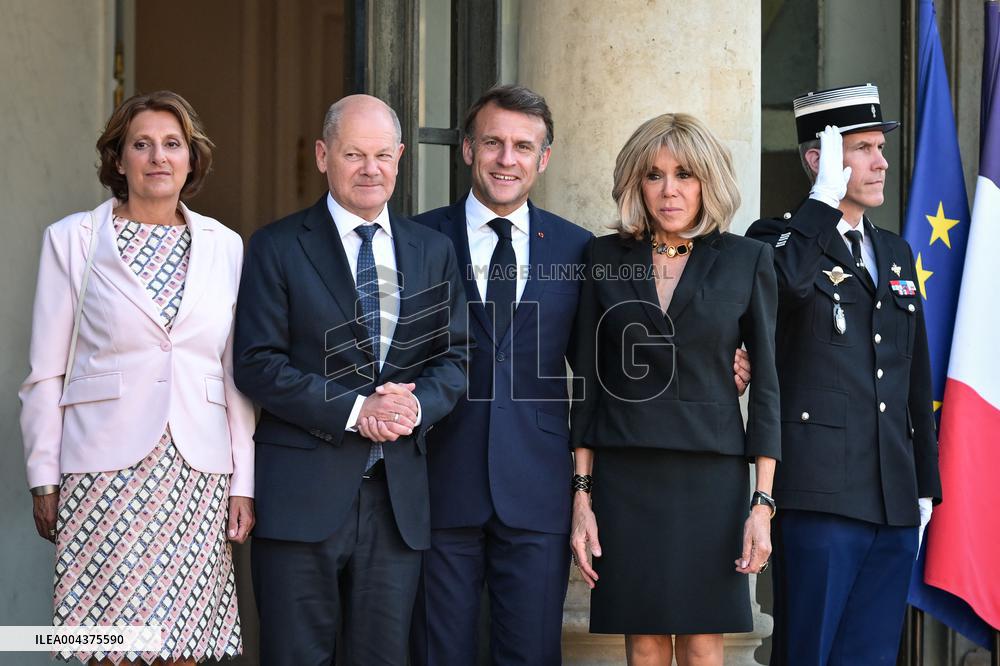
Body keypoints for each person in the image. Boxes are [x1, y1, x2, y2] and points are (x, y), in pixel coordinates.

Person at [233, 94, 472, 665]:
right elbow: (257, 362)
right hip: (300, 500)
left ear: (400, 158)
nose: (371, 169)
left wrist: (412, 409)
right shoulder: (275, 246)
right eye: (353, 154)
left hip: (397, 503)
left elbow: (456, 357)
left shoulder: (434, 252)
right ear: (322, 156)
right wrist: (355, 409)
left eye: (383, 156)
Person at [19, 90, 255, 665]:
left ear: (191, 159)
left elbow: (233, 374)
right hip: (103, 472)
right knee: (109, 648)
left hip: (194, 473)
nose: (158, 157)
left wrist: (242, 480)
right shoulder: (71, 239)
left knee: (184, 645)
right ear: (117, 159)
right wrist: (43, 476)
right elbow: (45, 373)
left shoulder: (227, 247)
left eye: (172, 144)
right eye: (141, 144)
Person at [570, 113, 780, 666]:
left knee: (704, 647)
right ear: (636, 184)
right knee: (642, 646)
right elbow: (587, 387)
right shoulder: (603, 258)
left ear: (708, 181)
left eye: (684, 174)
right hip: (625, 475)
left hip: (710, 476)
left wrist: (762, 503)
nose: (669, 190)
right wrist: (582, 494)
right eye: (654, 175)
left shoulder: (747, 260)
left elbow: (768, 389)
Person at [746, 83, 940, 665]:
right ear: (820, 159)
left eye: (880, 147)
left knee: (870, 656)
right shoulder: (775, 239)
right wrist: (823, 202)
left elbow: (915, 376)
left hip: (892, 496)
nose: (881, 162)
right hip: (820, 496)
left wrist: (925, 483)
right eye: (862, 148)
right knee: (808, 652)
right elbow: (783, 290)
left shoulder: (897, 251)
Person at [408, 84, 593, 665]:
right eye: (492, 143)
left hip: (537, 490)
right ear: (467, 149)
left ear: (544, 158)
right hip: (438, 480)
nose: (506, 159)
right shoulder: (417, 239)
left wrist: (723, 364)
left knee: (532, 655)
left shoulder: (578, 248)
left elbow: (598, 371)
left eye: (522, 146)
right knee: (440, 653)